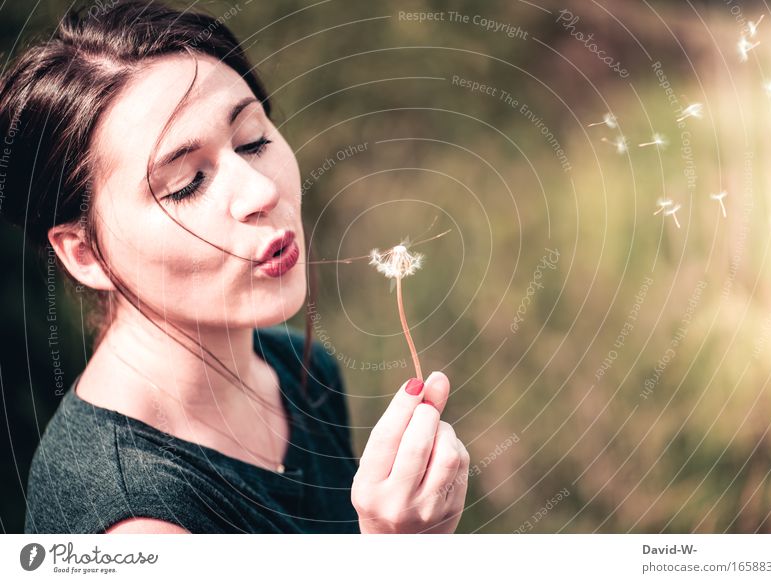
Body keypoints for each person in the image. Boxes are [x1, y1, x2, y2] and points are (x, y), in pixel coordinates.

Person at [1, 0, 469, 534]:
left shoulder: (302, 370)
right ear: (84, 253)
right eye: (186, 184)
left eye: (254, 140)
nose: (261, 191)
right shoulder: (131, 517)